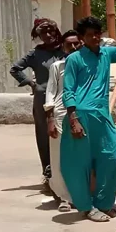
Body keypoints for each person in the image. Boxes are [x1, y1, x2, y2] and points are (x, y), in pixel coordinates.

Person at [61, 16, 116, 222]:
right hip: (80, 115)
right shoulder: (74, 59)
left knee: (111, 159)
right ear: (82, 38)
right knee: (78, 163)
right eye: (90, 34)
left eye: (97, 33)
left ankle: (103, 203)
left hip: (101, 116)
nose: (94, 37)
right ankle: (85, 207)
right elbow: (68, 90)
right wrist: (73, 118)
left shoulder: (106, 54)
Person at [10, 18, 65, 190]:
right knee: (44, 135)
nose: (48, 35)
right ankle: (48, 173)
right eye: (43, 32)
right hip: (42, 99)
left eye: (51, 31)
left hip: (64, 97)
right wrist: (32, 84)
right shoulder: (35, 54)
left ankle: (66, 173)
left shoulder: (66, 50)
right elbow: (15, 69)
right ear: (38, 35)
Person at [43, 30, 82, 212]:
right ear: (63, 47)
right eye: (69, 44)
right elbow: (50, 92)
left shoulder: (88, 65)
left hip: (82, 115)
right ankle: (63, 197)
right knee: (58, 156)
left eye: (76, 43)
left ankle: (80, 195)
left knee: (79, 157)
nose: (73, 47)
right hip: (60, 114)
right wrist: (50, 118)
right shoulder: (57, 66)